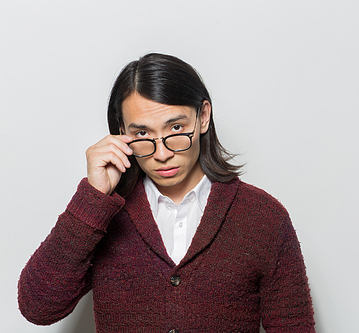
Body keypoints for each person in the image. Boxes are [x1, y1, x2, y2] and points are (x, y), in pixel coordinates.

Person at [18, 53, 315, 332]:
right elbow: (39, 307)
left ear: (203, 117)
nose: (161, 154)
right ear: (121, 130)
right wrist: (94, 198)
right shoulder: (103, 213)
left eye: (175, 128)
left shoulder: (263, 218)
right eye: (143, 134)